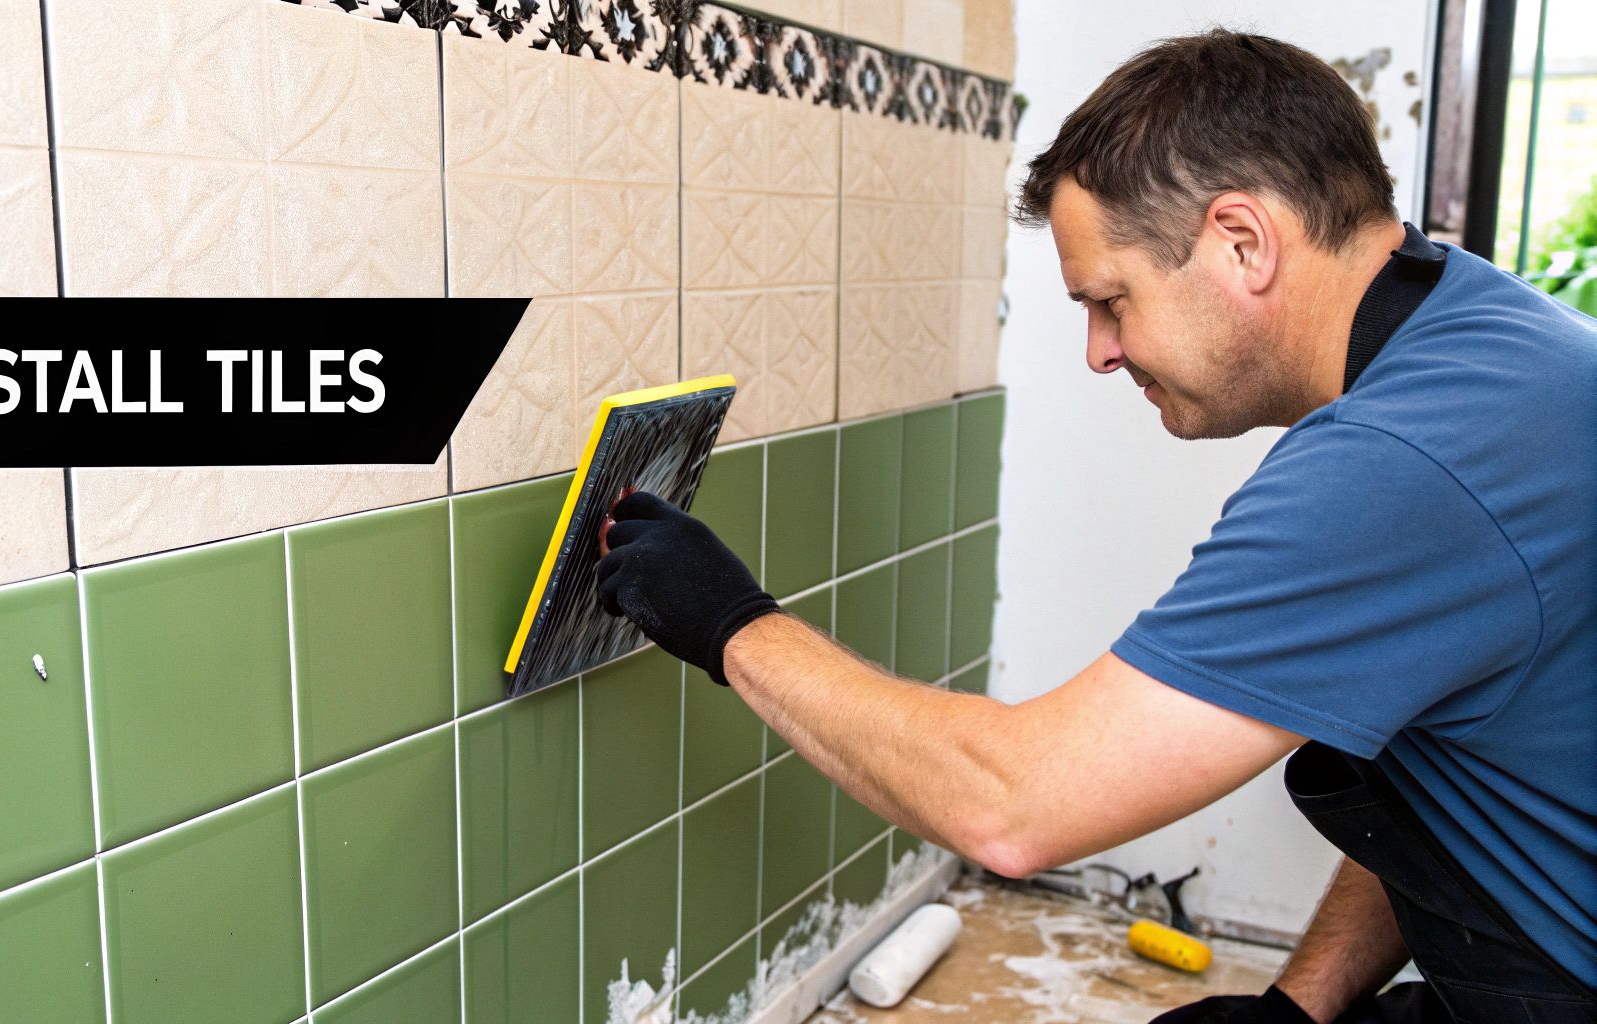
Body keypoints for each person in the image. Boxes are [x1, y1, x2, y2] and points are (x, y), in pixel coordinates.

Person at [594, 29, 1597, 1024]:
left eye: (1110, 301)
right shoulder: (1487, 340)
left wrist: (730, 622)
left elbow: (1011, 805)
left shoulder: (1404, 459)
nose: (1098, 352)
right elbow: (1470, 799)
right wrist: (1298, 1009)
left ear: (1240, 241)